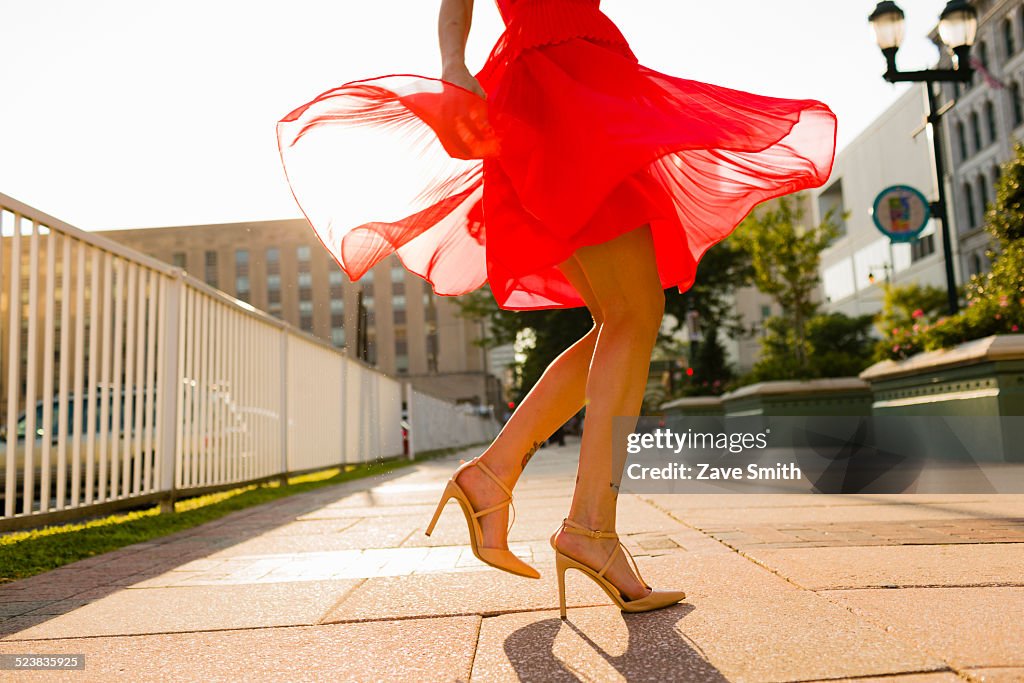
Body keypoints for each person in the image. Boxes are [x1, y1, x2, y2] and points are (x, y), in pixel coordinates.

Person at [277, 0, 836, 617]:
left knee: (621, 317)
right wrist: (451, 62)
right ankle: (588, 528)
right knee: (633, 313)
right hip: (559, 85)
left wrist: (458, 63)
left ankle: (494, 476)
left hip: (575, 83)